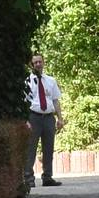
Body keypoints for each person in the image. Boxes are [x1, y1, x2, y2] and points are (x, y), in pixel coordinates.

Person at [24, 52, 63, 188]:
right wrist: (26, 120)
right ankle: (28, 178)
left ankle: (47, 177)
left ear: (43, 62)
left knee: (48, 148)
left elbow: (55, 100)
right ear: (32, 65)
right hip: (33, 117)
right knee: (31, 148)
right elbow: (23, 102)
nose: (38, 64)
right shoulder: (27, 81)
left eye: (40, 61)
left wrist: (60, 118)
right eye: (35, 62)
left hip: (48, 118)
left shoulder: (51, 81)